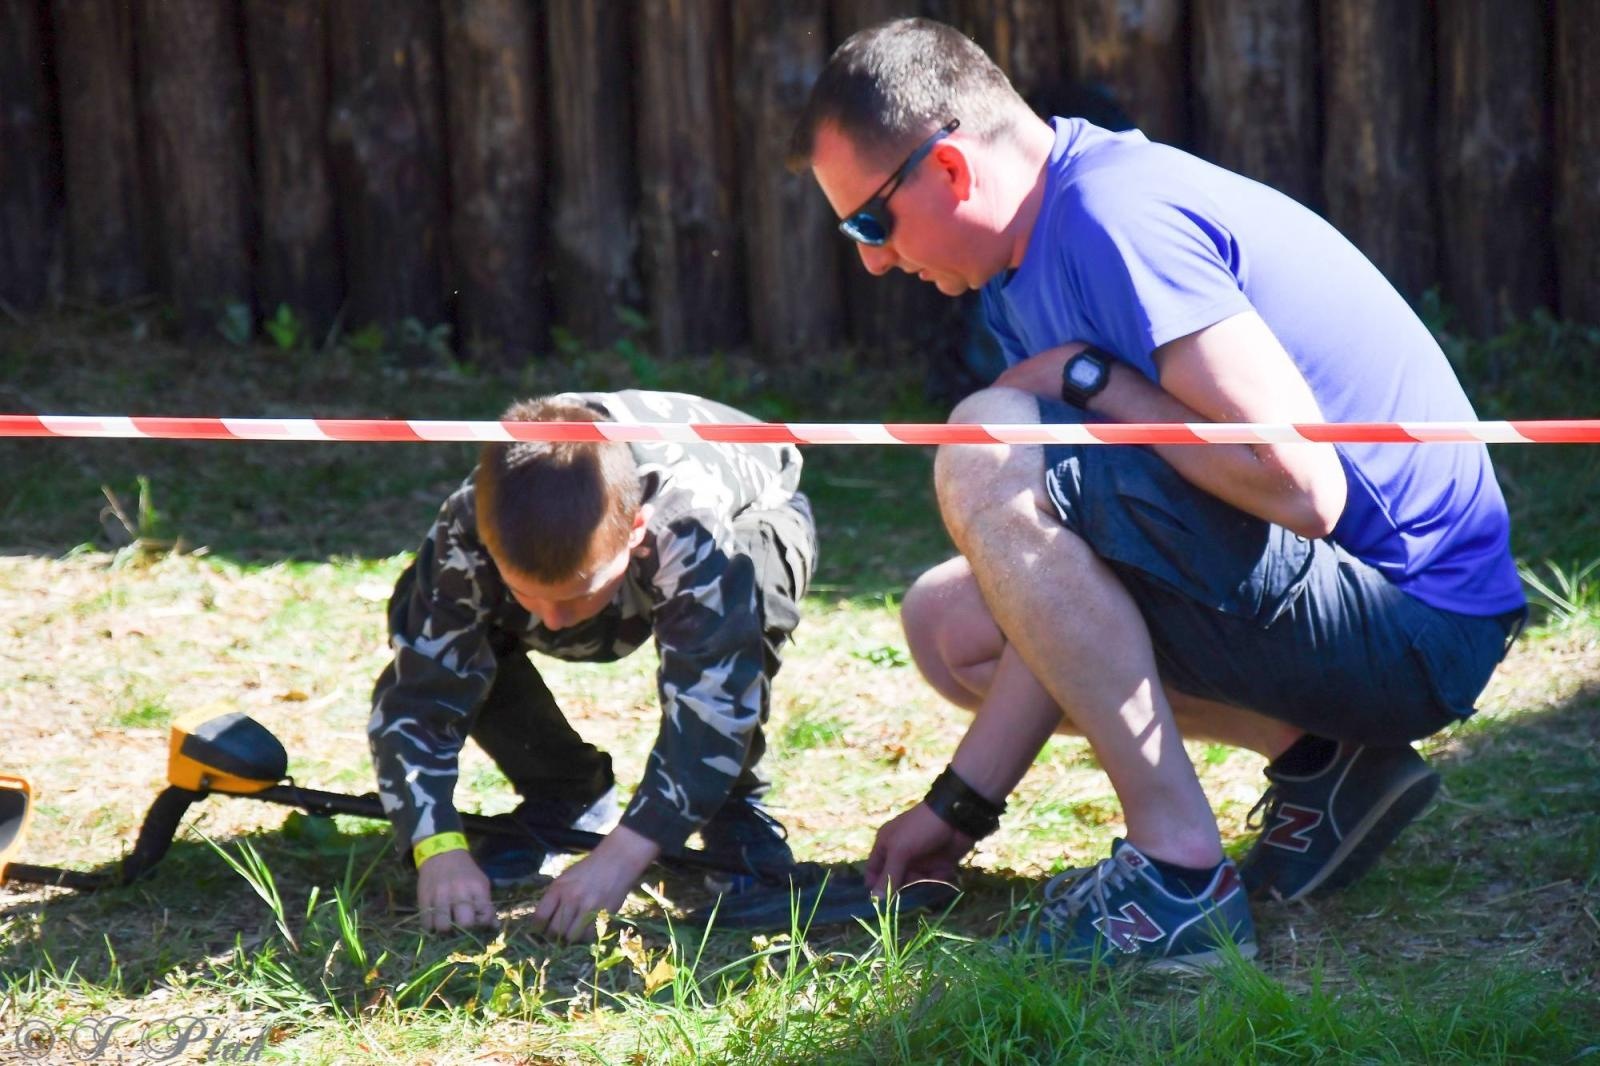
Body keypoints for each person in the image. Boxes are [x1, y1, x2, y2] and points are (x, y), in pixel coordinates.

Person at [791, 18, 1526, 969]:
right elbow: (1064, 578)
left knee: (985, 442)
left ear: (952, 172)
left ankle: (1179, 875)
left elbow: (1303, 487)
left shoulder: (1110, 215)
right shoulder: (1022, 265)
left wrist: (1094, 382)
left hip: (1418, 624)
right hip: (1349, 602)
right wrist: (956, 810)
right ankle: (1325, 762)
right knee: (952, 624)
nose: (873, 261)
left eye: (869, 222)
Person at [367, 390, 816, 941]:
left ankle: (733, 809)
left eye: (576, 597)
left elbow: (714, 697)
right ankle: (567, 792)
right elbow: (420, 693)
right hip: (610, 560)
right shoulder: (468, 523)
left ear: (636, 531)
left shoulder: (685, 517)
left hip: (755, 511)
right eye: (530, 596)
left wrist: (624, 855)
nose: (554, 624)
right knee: (431, 601)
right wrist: (435, 844)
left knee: (746, 596)